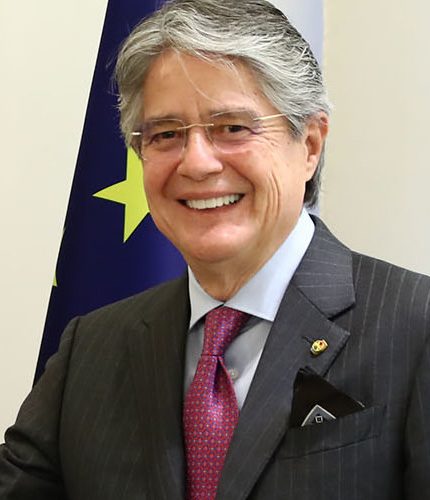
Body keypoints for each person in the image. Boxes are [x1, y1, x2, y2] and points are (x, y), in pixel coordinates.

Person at [1, 0, 429, 498]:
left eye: (232, 128)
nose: (197, 163)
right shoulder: (89, 349)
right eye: (166, 134)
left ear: (310, 145)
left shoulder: (416, 327)